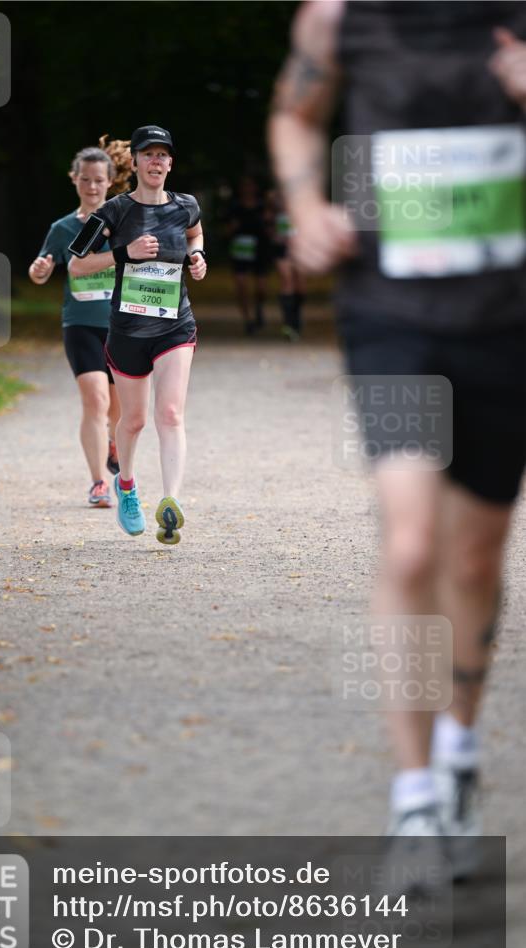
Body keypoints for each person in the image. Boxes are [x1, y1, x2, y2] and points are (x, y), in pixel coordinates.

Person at [269, 0, 526, 867]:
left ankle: (457, 746)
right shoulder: (338, 18)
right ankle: (413, 798)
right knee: (411, 543)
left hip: (505, 318)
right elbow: (294, 114)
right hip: (390, 313)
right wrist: (306, 207)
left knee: (473, 559)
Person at [69, 125, 207, 545]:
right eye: (149, 155)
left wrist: (198, 254)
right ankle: (126, 485)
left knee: (170, 414)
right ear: (137, 161)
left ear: (171, 163)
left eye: (164, 155)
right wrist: (123, 253)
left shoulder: (186, 206)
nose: (157, 162)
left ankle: (170, 503)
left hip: (174, 325)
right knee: (133, 420)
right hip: (128, 330)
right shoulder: (114, 212)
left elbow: (195, 232)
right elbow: (77, 265)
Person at [29, 138, 131, 507]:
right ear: (74, 180)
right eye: (85, 179)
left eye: (98, 180)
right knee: (95, 401)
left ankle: (113, 442)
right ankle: (98, 483)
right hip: (81, 326)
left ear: (110, 182)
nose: (92, 187)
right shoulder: (62, 228)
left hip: (121, 325)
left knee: (118, 409)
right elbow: (40, 271)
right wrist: (40, 269)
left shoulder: (123, 222)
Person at [225, 176, 271, 336]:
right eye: (245, 186)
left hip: (260, 248)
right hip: (240, 248)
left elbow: (271, 228)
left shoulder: (262, 206)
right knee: (241, 285)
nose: (248, 189)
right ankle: (248, 320)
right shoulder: (234, 207)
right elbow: (225, 230)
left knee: (261, 287)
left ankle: (259, 308)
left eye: (251, 185)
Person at [267, 187, 306, 341]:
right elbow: (267, 219)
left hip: (299, 246)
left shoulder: (304, 193)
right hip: (281, 246)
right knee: (286, 280)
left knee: (300, 285)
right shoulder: (274, 196)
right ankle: (289, 324)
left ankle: (297, 316)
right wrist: (274, 234)